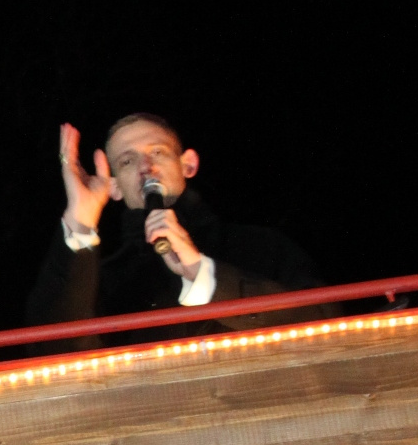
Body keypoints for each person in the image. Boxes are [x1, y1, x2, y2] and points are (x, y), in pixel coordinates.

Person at [26, 113, 332, 351]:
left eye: (158, 152)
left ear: (188, 165)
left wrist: (203, 274)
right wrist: (80, 221)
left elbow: (325, 320)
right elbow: (52, 350)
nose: (146, 166)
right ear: (114, 188)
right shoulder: (105, 280)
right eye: (127, 161)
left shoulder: (260, 246)